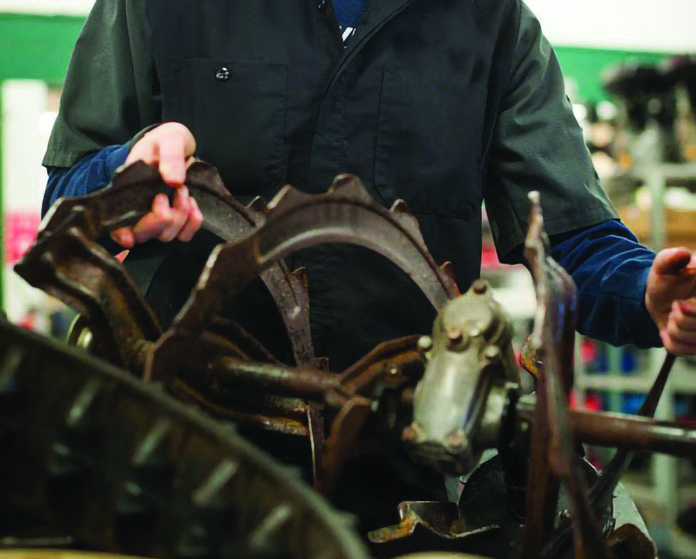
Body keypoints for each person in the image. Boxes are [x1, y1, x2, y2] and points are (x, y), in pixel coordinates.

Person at [41, 0, 696, 534]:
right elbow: (66, 203)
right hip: (170, 463)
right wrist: (122, 184)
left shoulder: (495, 25)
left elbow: (575, 236)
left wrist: (647, 291)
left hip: (398, 489)